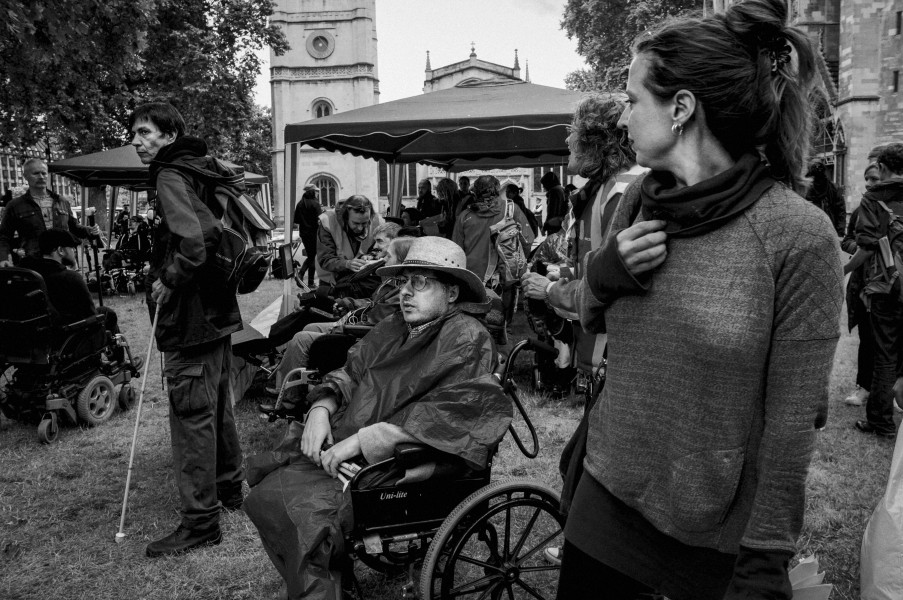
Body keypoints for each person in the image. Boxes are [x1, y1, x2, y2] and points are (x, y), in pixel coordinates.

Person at [565, 2, 843, 599]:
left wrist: (765, 560)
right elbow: (591, 314)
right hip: (603, 497)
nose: (623, 116)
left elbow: (793, 424)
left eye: (634, 98)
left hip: (708, 535)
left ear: (682, 108)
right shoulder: (640, 202)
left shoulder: (796, 235)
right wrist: (602, 275)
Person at [244, 236, 512, 600]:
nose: (405, 292)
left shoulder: (466, 336)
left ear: (451, 292)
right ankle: (320, 574)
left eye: (420, 283)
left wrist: (365, 440)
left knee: (302, 512)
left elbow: (454, 413)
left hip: (397, 464)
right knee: (269, 492)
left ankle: (319, 582)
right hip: (350, 448)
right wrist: (322, 407)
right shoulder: (393, 326)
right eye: (404, 281)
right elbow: (351, 371)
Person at [129, 101, 245, 558]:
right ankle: (231, 490)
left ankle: (200, 521)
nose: (137, 142)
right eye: (135, 134)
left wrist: (167, 278)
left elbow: (197, 240)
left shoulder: (169, 174)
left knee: (192, 414)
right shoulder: (202, 166)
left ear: (170, 133)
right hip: (218, 311)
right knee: (216, 404)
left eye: (144, 133)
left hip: (193, 314)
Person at [266, 235, 414, 396]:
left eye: (388, 256)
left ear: (402, 260)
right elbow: (371, 304)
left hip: (363, 335)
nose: (383, 258)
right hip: (357, 322)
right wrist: (348, 303)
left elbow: (377, 317)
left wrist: (345, 321)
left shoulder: (401, 289)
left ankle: (289, 397)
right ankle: (288, 386)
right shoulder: (391, 282)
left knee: (302, 337)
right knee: (309, 324)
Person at [852, 142, 903, 439]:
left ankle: (881, 422)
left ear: (882, 168)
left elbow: (867, 244)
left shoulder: (874, 198)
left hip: (887, 285)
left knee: (884, 354)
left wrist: (845, 270)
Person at [19, 229, 130, 364]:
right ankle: (119, 362)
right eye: (72, 248)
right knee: (107, 314)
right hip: (68, 338)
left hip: (35, 338)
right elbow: (91, 315)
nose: (75, 252)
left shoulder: (28, 275)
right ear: (60, 250)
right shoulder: (70, 278)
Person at [0, 158, 100, 267]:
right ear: (25, 176)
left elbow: (74, 227)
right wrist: (3, 257)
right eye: (36, 173)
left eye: (44, 173)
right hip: (33, 263)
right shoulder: (15, 205)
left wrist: (90, 230)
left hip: (62, 262)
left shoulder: (62, 201)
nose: (41, 177)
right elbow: (4, 236)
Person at [843, 158, 882, 407]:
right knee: (867, 337)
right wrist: (859, 247)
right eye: (867, 178)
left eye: (875, 179)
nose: (869, 183)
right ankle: (863, 387)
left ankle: (886, 390)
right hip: (864, 280)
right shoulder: (859, 211)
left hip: (888, 280)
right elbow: (846, 240)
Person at [314, 194, 384, 295]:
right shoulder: (328, 221)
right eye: (355, 223)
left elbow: (381, 248)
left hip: (360, 280)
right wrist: (346, 264)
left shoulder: (377, 220)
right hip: (331, 281)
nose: (360, 228)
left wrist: (370, 256)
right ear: (345, 217)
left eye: (364, 223)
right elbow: (325, 259)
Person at [805, 159, 846, 236]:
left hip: (830, 230)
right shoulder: (806, 190)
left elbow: (840, 211)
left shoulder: (833, 189)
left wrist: (840, 233)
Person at [293, 185, 323, 287]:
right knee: (313, 257)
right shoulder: (315, 204)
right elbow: (320, 220)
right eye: (316, 191)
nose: (318, 193)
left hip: (304, 233)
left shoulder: (300, 204)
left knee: (311, 256)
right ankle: (303, 276)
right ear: (312, 192)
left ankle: (308, 280)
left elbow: (296, 220)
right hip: (314, 233)